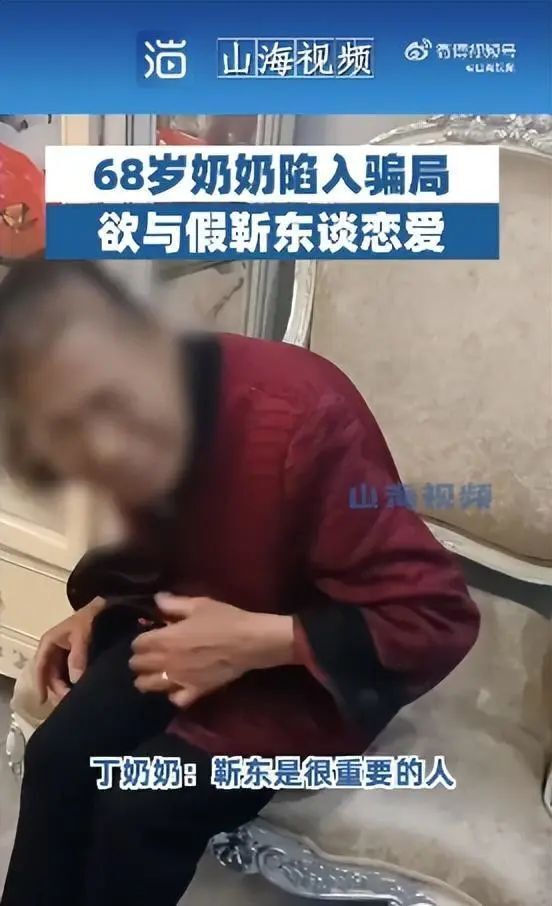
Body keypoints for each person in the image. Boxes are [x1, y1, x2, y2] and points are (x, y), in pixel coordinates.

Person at [0, 260, 479, 906]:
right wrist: (104, 603)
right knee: (58, 759)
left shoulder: (304, 417)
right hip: (180, 628)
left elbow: (437, 615)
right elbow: (163, 543)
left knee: (141, 807)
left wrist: (264, 641)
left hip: (301, 669)